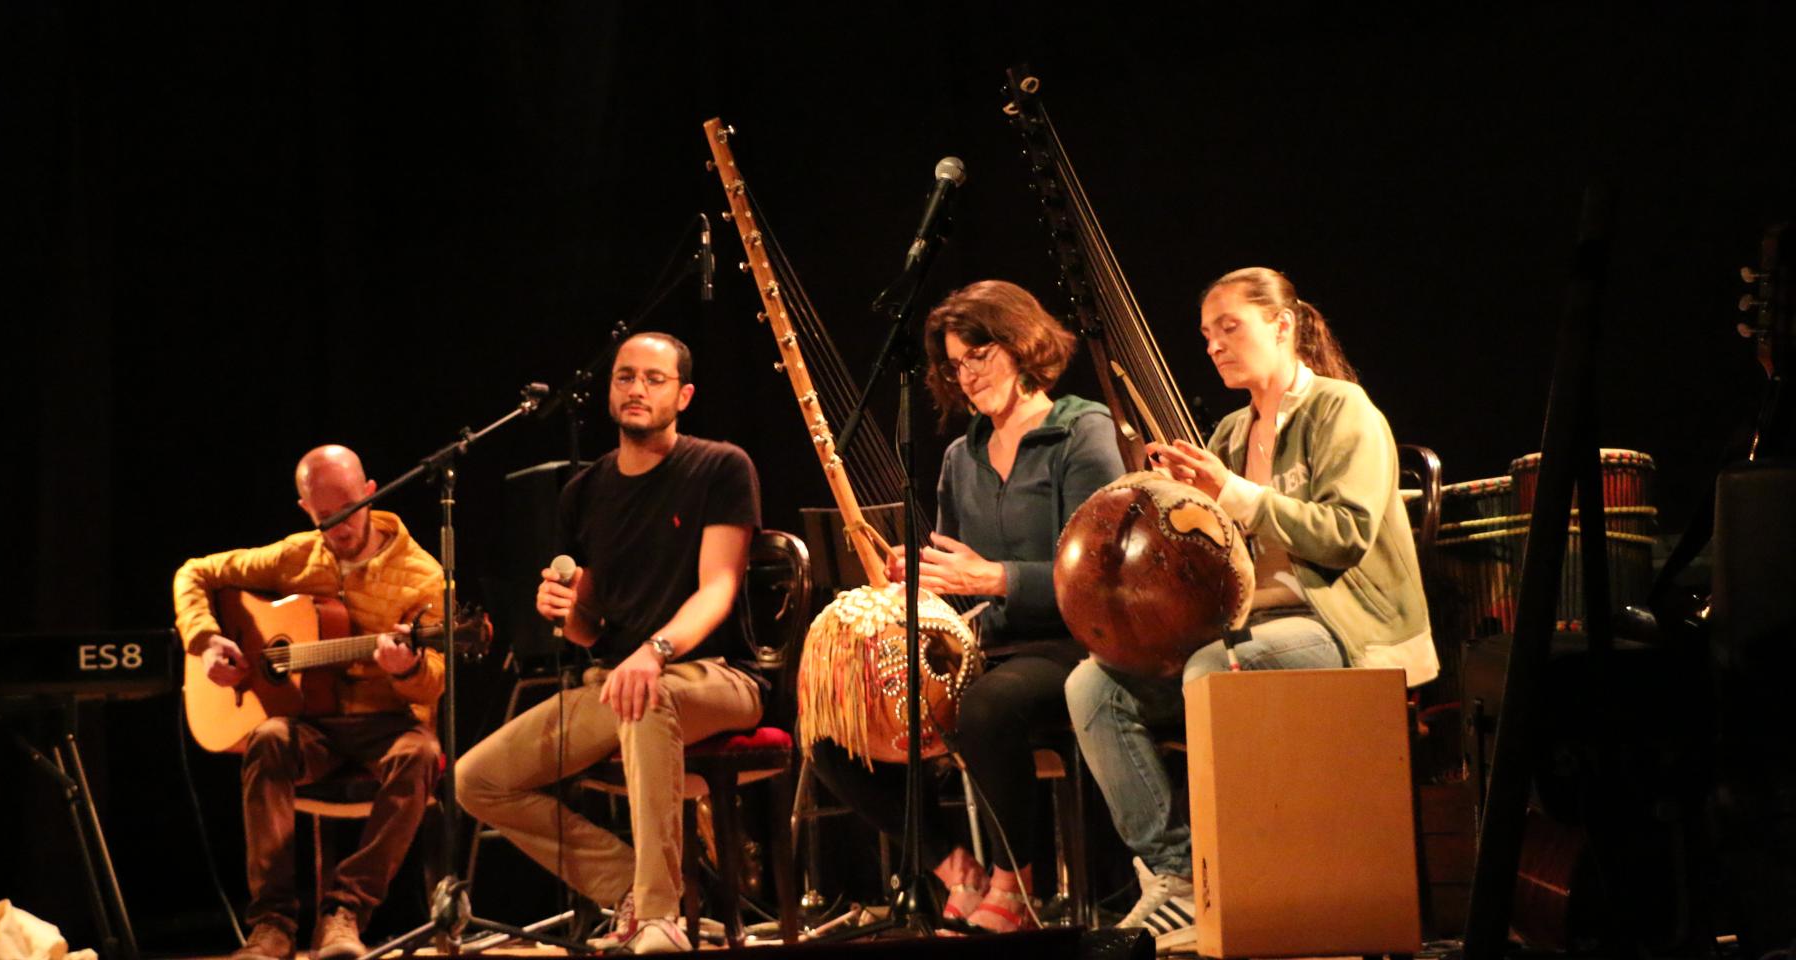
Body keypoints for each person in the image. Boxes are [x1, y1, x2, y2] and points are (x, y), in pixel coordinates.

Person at [1065, 266, 1438, 952]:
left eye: (1230, 328)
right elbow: (1217, 547)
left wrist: (1232, 494)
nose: (1214, 346)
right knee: (1093, 684)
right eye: (1207, 335)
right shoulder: (1232, 432)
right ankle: (1182, 876)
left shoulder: (1342, 410)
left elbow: (1347, 533)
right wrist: (1174, 506)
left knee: (1211, 670)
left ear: (1283, 324)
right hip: (1255, 626)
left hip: (1348, 628)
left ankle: (1245, 880)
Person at [808, 280, 1125, 933]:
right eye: (956, 365)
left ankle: (1017, 885)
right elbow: (962, 581)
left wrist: (995, 577)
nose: (968, 375)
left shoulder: (1080, 431)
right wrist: (924, 577)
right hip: (989, 649)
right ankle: (958, 870)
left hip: (1076, 643)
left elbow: (1102, 574)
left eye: (979, 355)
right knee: (839, 734)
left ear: (1023, 343)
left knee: (987, 706)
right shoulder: (962, 455)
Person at [455, 332, 763, 955]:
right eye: (625, 377)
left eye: (654, 379)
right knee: (477, 778)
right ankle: (627, 883)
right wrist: (564, 612)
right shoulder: (585, 490)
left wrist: (655, 652)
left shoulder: (720, 466)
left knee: (645, 696)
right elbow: (589, 628)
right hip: (617, 681)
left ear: (684, 395)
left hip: (715, 675)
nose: (637, 389)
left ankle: (659, 916)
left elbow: (718, 589)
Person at [172, 444, 446, 960]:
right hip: (312, 725)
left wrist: (407, 669)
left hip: (386, 724)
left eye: (349, 510)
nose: (340, 527)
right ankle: (272, 925)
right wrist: (205, 639)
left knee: (421, 755)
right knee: (268, 738)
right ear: (306, 510)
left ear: (370, 493)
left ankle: (345, 912)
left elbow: (433, 683)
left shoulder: (422, 574)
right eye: (325, 517)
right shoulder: (296, 555)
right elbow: (194, 572)